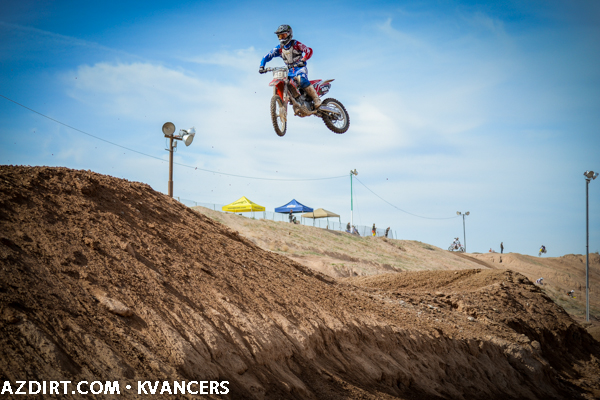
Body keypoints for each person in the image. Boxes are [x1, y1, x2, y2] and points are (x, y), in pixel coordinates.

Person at [258, 25, 321, 107]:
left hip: (300, 68)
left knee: (301, 80)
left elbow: (309, 50)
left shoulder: (296, 44)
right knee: (286, 83)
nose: (281, 38)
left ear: (289, 34)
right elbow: (266, 56)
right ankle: (294, 102)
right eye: (280, 36)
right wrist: (262, 66)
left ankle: (316, 99)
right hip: (289, 71)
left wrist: (303, 60)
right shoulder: (279, 48)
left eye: (283, 35)